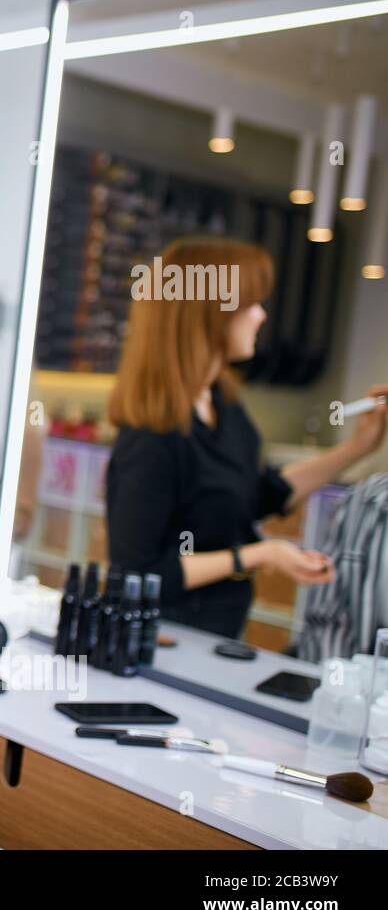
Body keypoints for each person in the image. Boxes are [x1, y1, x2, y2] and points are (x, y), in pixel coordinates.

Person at [106, 237, 387, 638]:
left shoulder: (225, 407)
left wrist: (360, 448)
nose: (260, 316)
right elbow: (140, 572)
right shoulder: (153, 436)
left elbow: (255, 497)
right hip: (164, 642)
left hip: (217, 632)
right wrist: (259, 554)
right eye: (249, 304)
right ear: (208, 314)